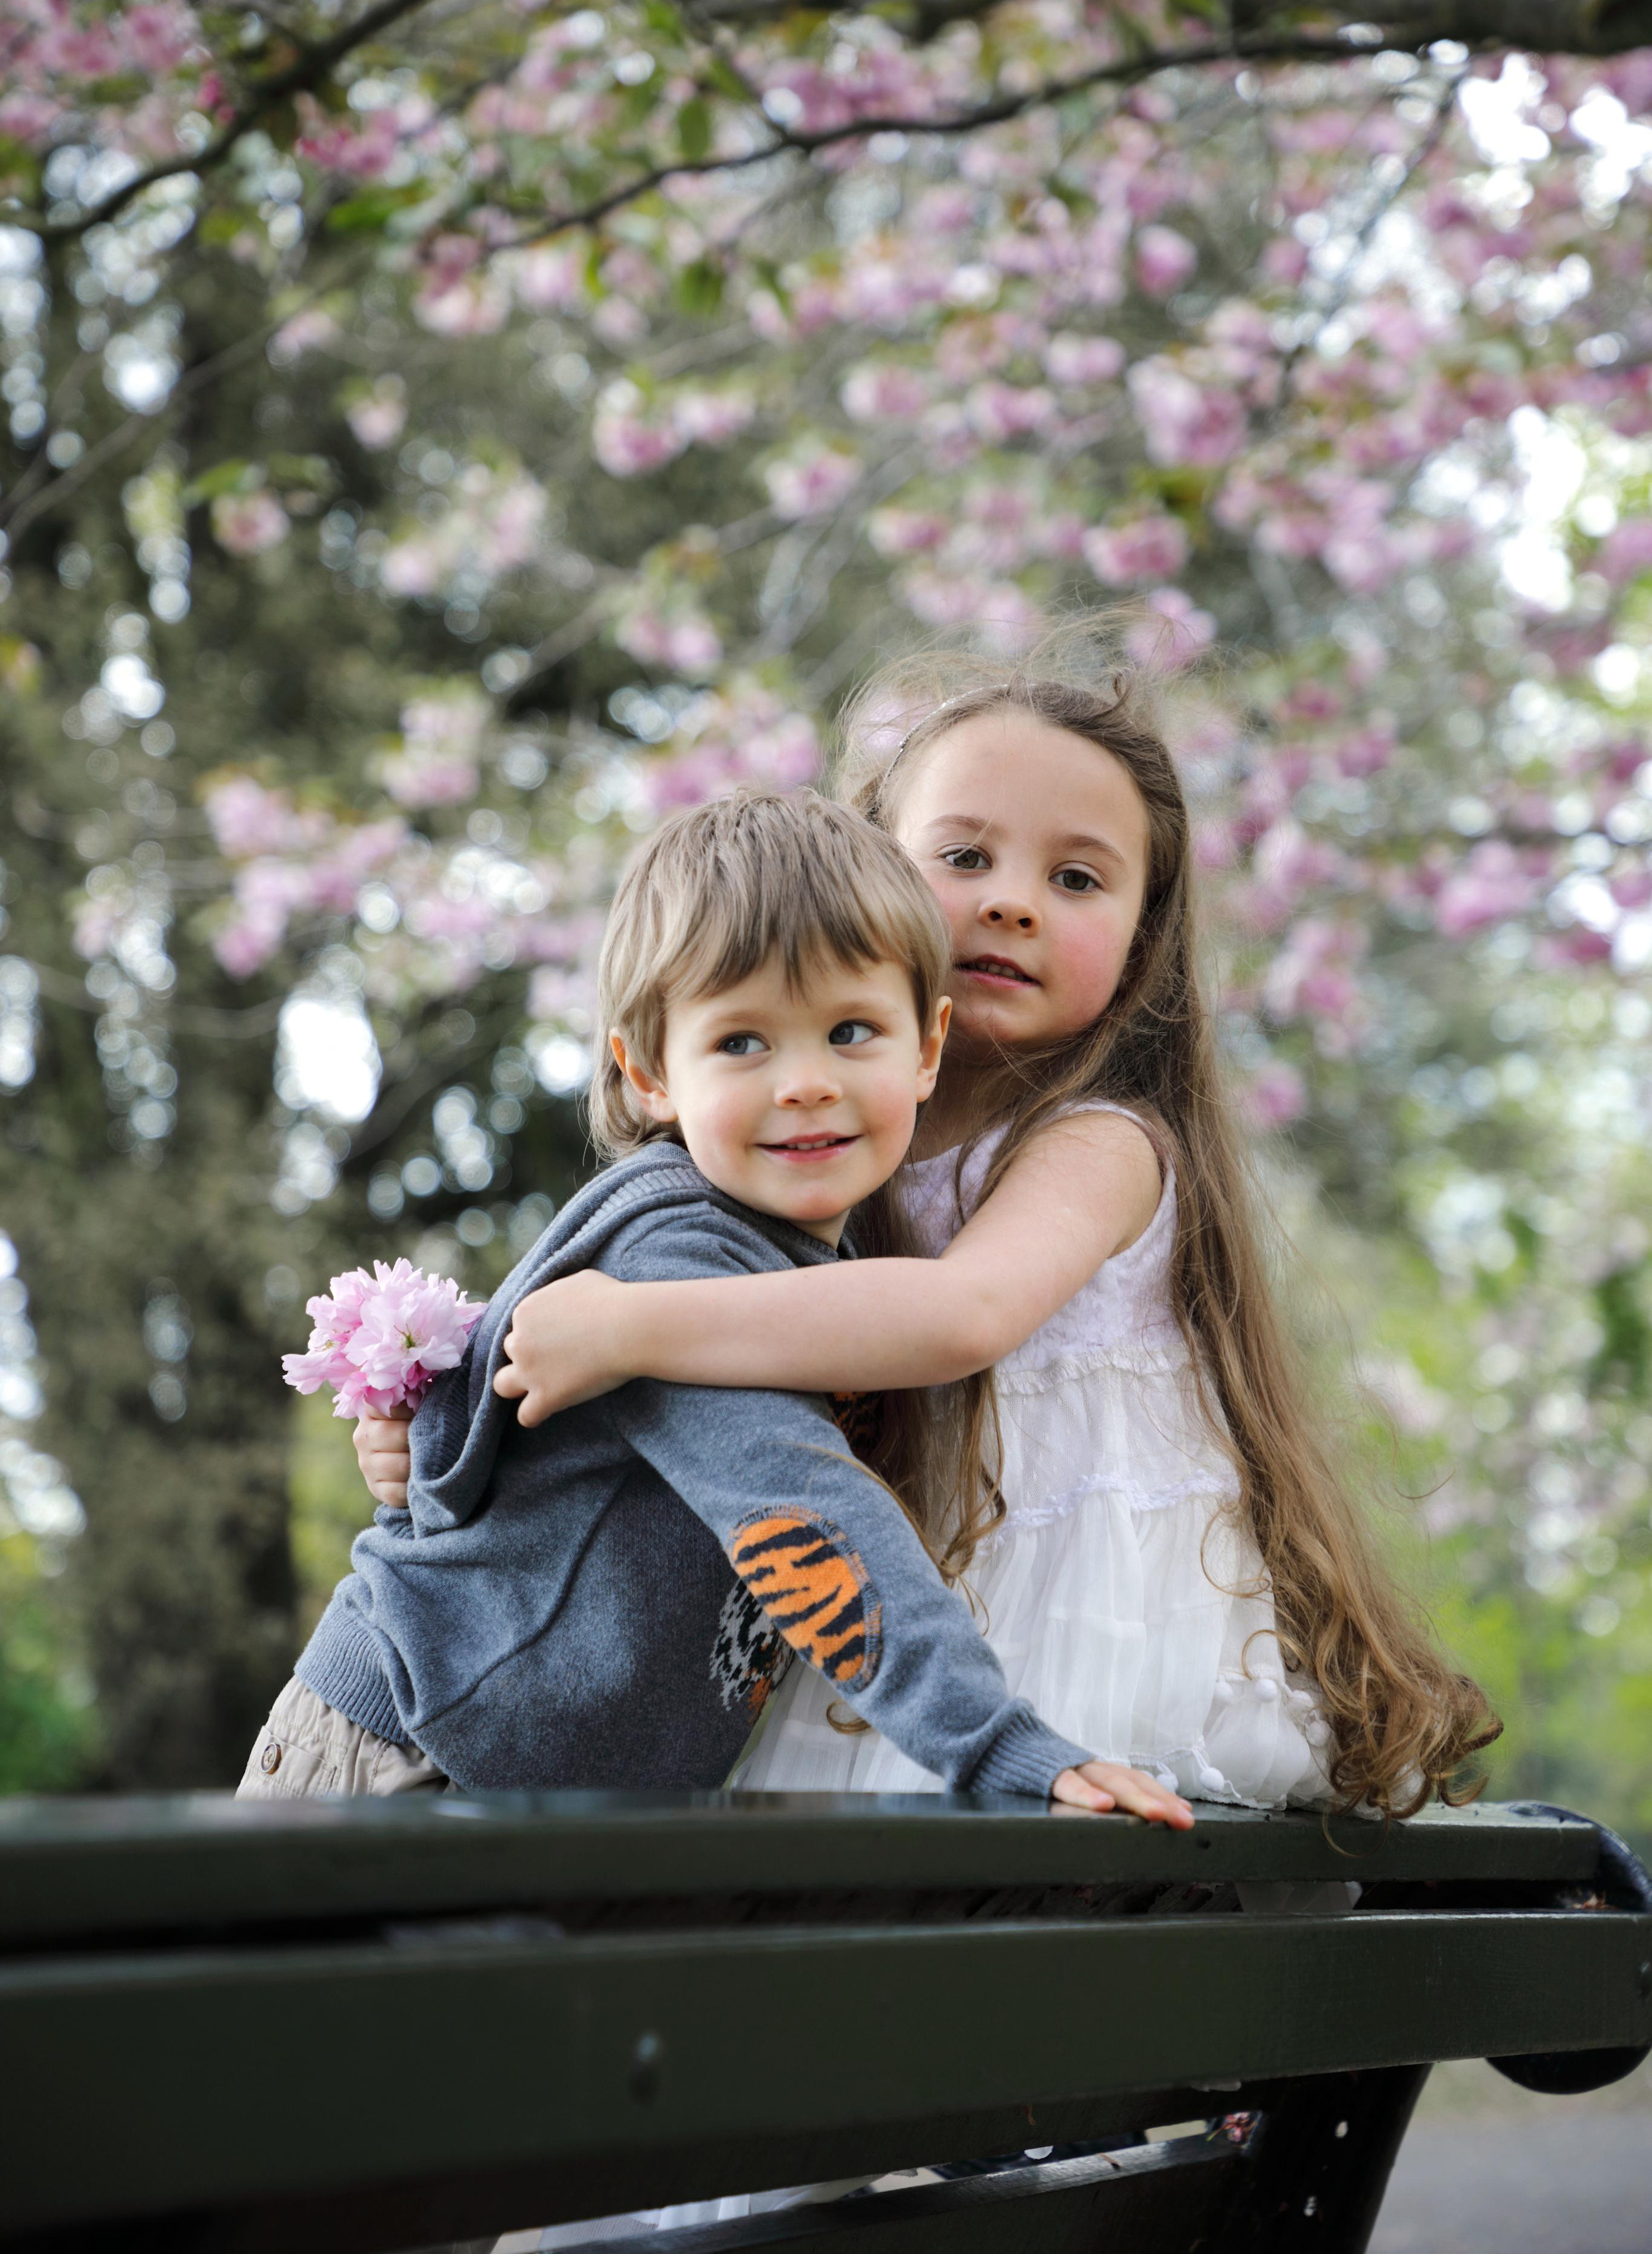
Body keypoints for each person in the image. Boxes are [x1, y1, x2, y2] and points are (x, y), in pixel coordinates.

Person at [357, 661, 1496, 1825]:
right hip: (887, 1610)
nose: (1013, 902)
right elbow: (681, 1414)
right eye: (964, 858)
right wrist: (446, 1436)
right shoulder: (814, 1152)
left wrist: (634, 1331)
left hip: (1073, 1608)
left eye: (1076, 877)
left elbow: (961, 1317)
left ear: (1145, 935)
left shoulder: (1100, 1143)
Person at [240, 785, 1187, 1821]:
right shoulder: (674, 1254)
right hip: (417, 1754)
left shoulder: (812, 1254)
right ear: (648, 1072)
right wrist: (998, 1745)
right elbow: (805, 1512)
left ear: (926, 1046)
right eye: (743, 1043)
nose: (806, 1083)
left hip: (537, 1781)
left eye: (852, 1030)